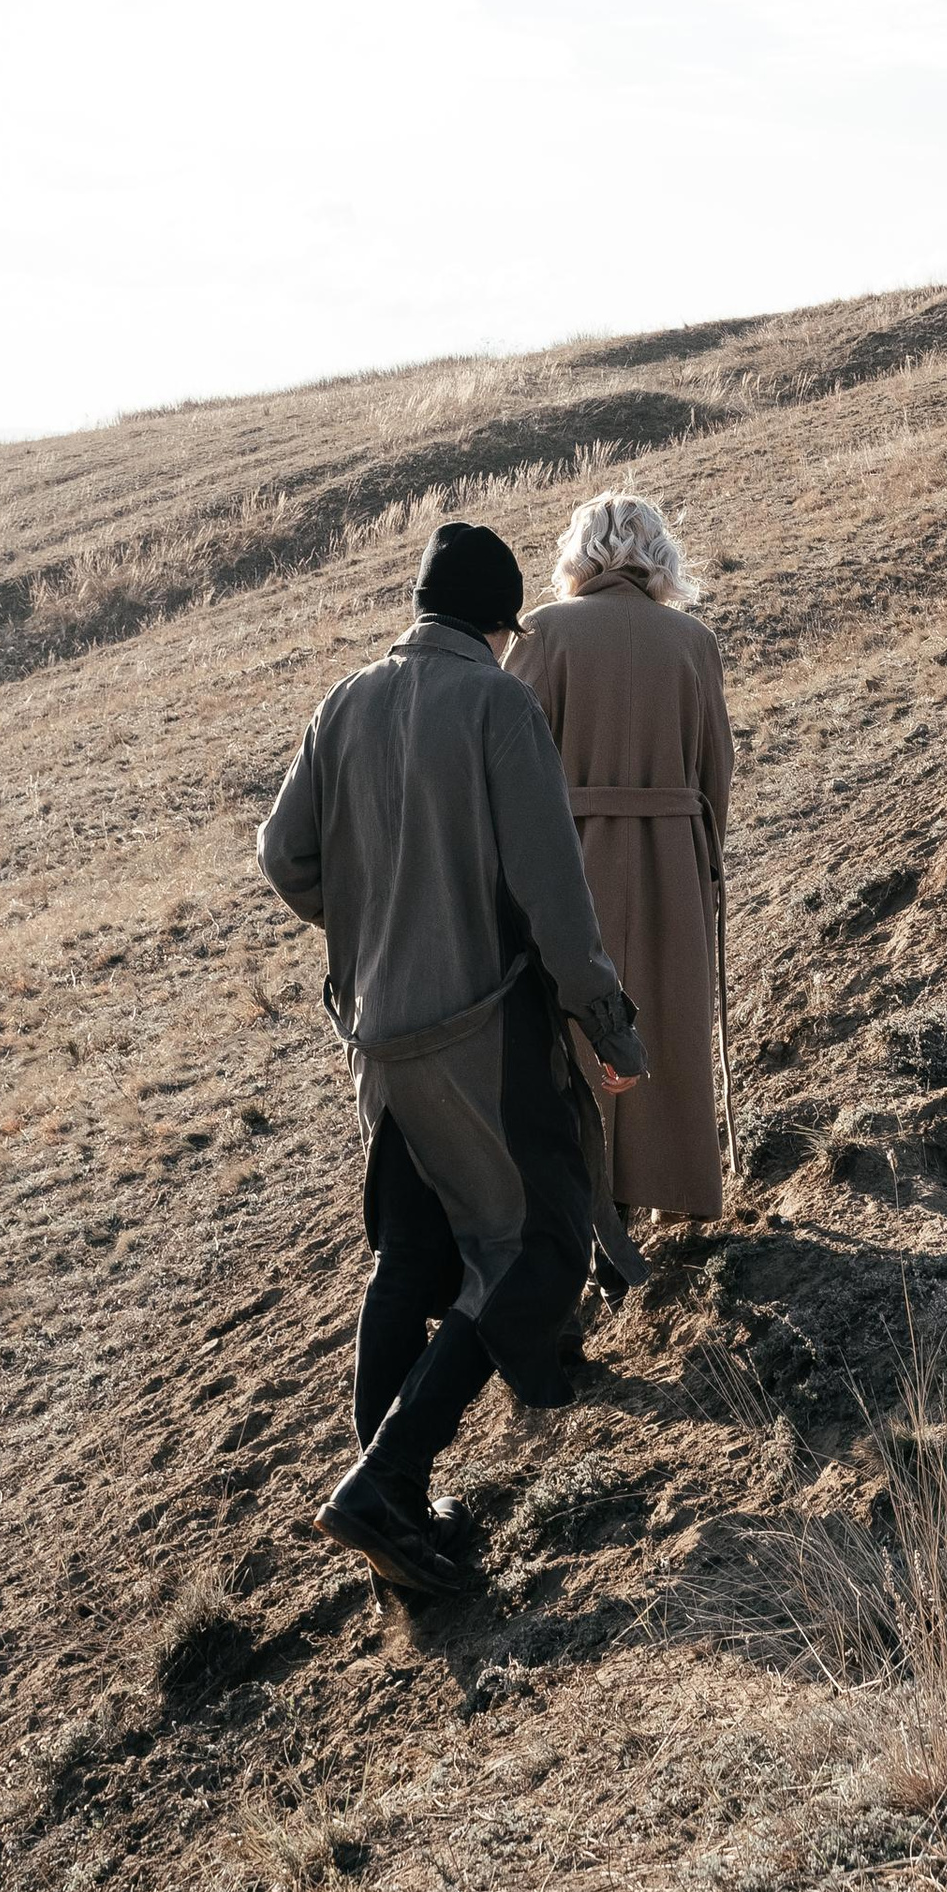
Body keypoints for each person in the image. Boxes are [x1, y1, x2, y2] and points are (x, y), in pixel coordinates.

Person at [256, 518, 648, 1599]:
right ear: (497, 622)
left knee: (413, 1258)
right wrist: (606, 1021)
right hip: (482, 1034)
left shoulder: (345, 699)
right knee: (541, 1249)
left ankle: (401, 1524)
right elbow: (556, 903)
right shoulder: (498, 704)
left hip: (376, 1040)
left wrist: (372, 918)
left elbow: (281, 855)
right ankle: (383, 1487)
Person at [507, 493, 734, 1227]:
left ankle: (576, 1206)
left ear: (580, 553)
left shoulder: (543, 631)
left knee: (570, 1033)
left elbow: (507, 757)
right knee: (666, 1026)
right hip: (672, 856)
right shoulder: (693, 640)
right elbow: (715, 771)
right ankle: (655, 1192)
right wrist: (704, 863)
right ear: (658, 556)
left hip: (568, 860)